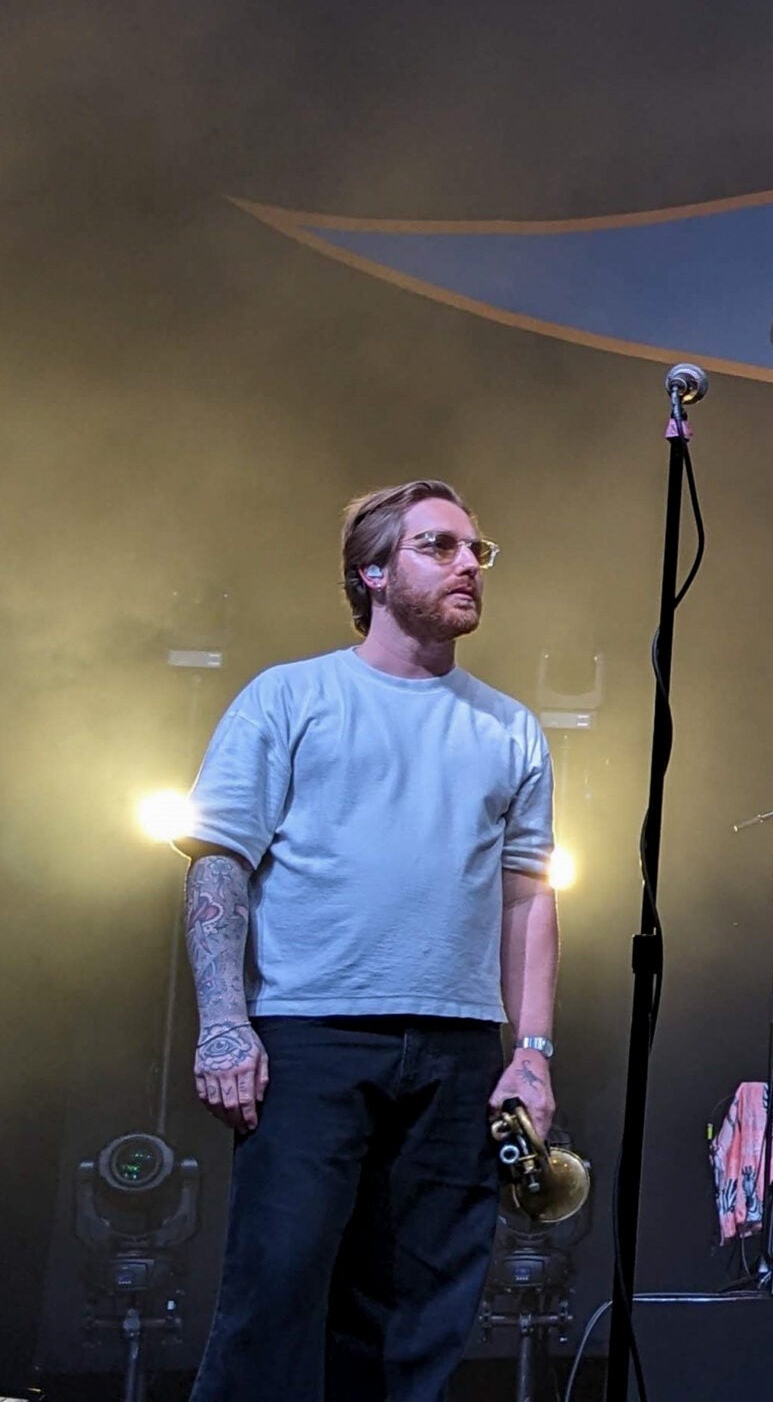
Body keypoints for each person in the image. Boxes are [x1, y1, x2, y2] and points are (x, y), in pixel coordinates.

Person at [179, 480, 559, 1402]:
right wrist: (224, 1023)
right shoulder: (290, 696)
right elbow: (217, 864)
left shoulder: (511, 726)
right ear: (374, 573)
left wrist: (533, 1055)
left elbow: (528, 899)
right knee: (276, 1296)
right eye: (440, 546)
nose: (469, 563)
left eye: (477, 550)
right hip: (312, 1036)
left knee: (420, 1314)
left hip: (459, 1048)